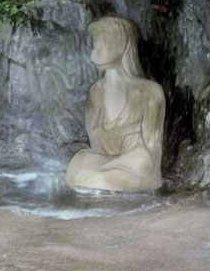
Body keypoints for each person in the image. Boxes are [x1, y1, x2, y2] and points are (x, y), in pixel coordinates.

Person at [66, 16, 164, 192]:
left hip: (134, 167)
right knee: (80, 159)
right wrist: (106, 164)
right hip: (106, 165)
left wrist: (116, 163)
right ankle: (99, 177)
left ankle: (98, 178)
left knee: (142, 162)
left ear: (120, 44)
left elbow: (151, 155)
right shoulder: (96, 93)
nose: (95, 45)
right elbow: (96, 148)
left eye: (102, 39)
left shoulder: (150, 93)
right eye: (95, 40)